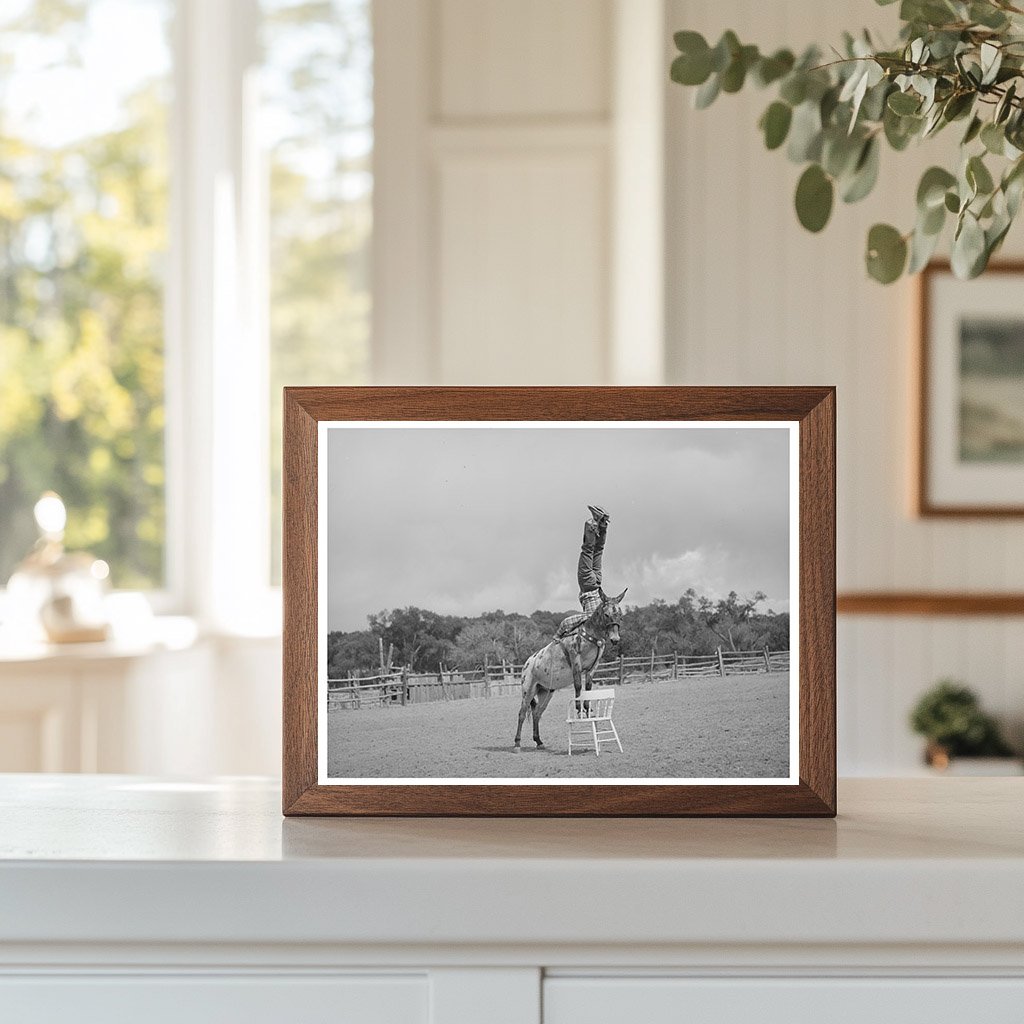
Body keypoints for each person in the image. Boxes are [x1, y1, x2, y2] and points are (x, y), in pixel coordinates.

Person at [556, 505, 610, 638]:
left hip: (597, 583)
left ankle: (603, 524)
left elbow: (567, 622)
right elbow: (568, 622)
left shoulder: (598, 614)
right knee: (587, 550)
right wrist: (558, 634)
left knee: (598, 551)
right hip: (588, 585)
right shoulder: (591, 618)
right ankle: (594, 522)